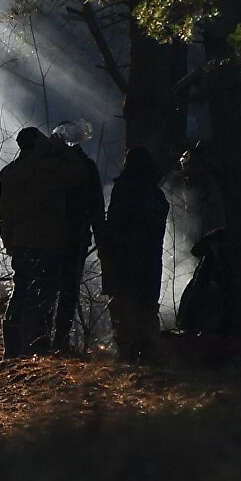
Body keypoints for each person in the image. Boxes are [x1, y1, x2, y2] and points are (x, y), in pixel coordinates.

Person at [0, 128, 88, 357]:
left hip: (20, 242)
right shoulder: (48, 168)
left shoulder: (10, 173)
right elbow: (81, 175)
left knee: (20, 291)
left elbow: (4, 213)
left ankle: (13, 346)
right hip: (48, 240)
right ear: (37, 144)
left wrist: (9, 241)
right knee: (42, 294)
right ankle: (35, 345)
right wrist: (66, 151)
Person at [97, 147, 168, 361]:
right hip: (149, 263)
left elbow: (116, 226)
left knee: (125, 313)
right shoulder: (157, 196)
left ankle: (129, 358)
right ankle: (150, 357)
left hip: (123, 263)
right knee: (147, 311)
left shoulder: (124, 190)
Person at [48, 123, 105, 352]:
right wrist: (101, 239)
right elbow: (97, 208)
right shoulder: (86, 167)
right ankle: (60, 341)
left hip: (57, 238)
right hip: (73, 239)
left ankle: (44, 340)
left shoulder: (51, 165)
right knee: (67, 291)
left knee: (51, 288)